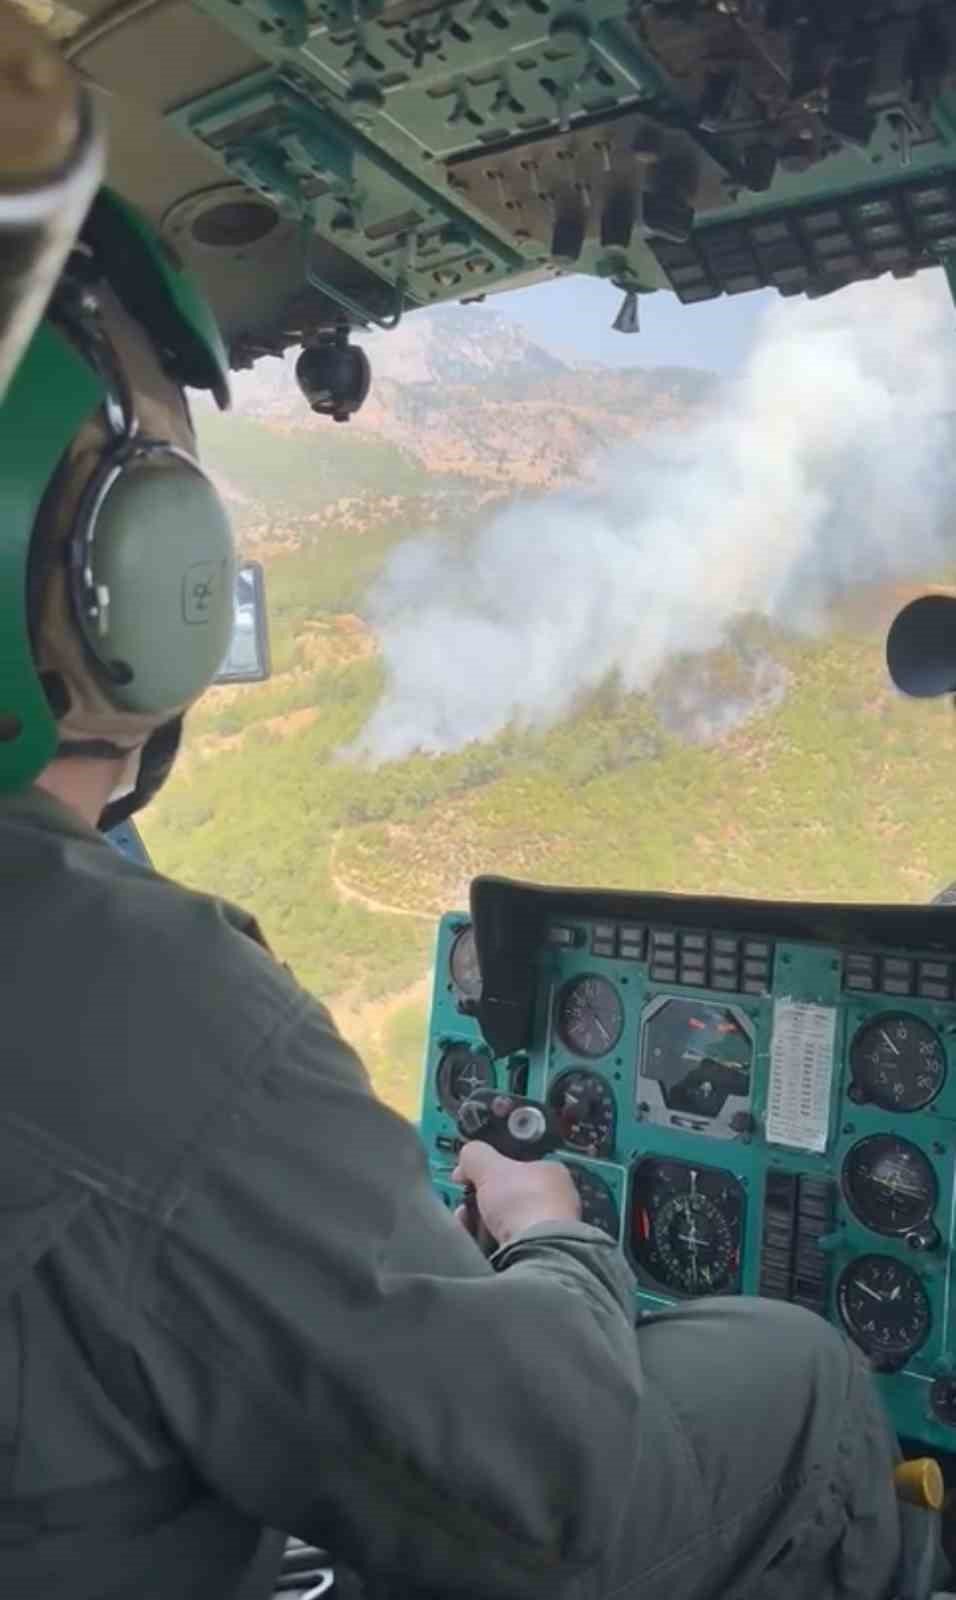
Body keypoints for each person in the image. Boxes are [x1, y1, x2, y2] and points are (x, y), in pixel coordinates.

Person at [0, 187, 911, 1600]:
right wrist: (555, 1235)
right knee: (802, 1387)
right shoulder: (128, 997)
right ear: (115, 576)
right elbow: (568, 1506)